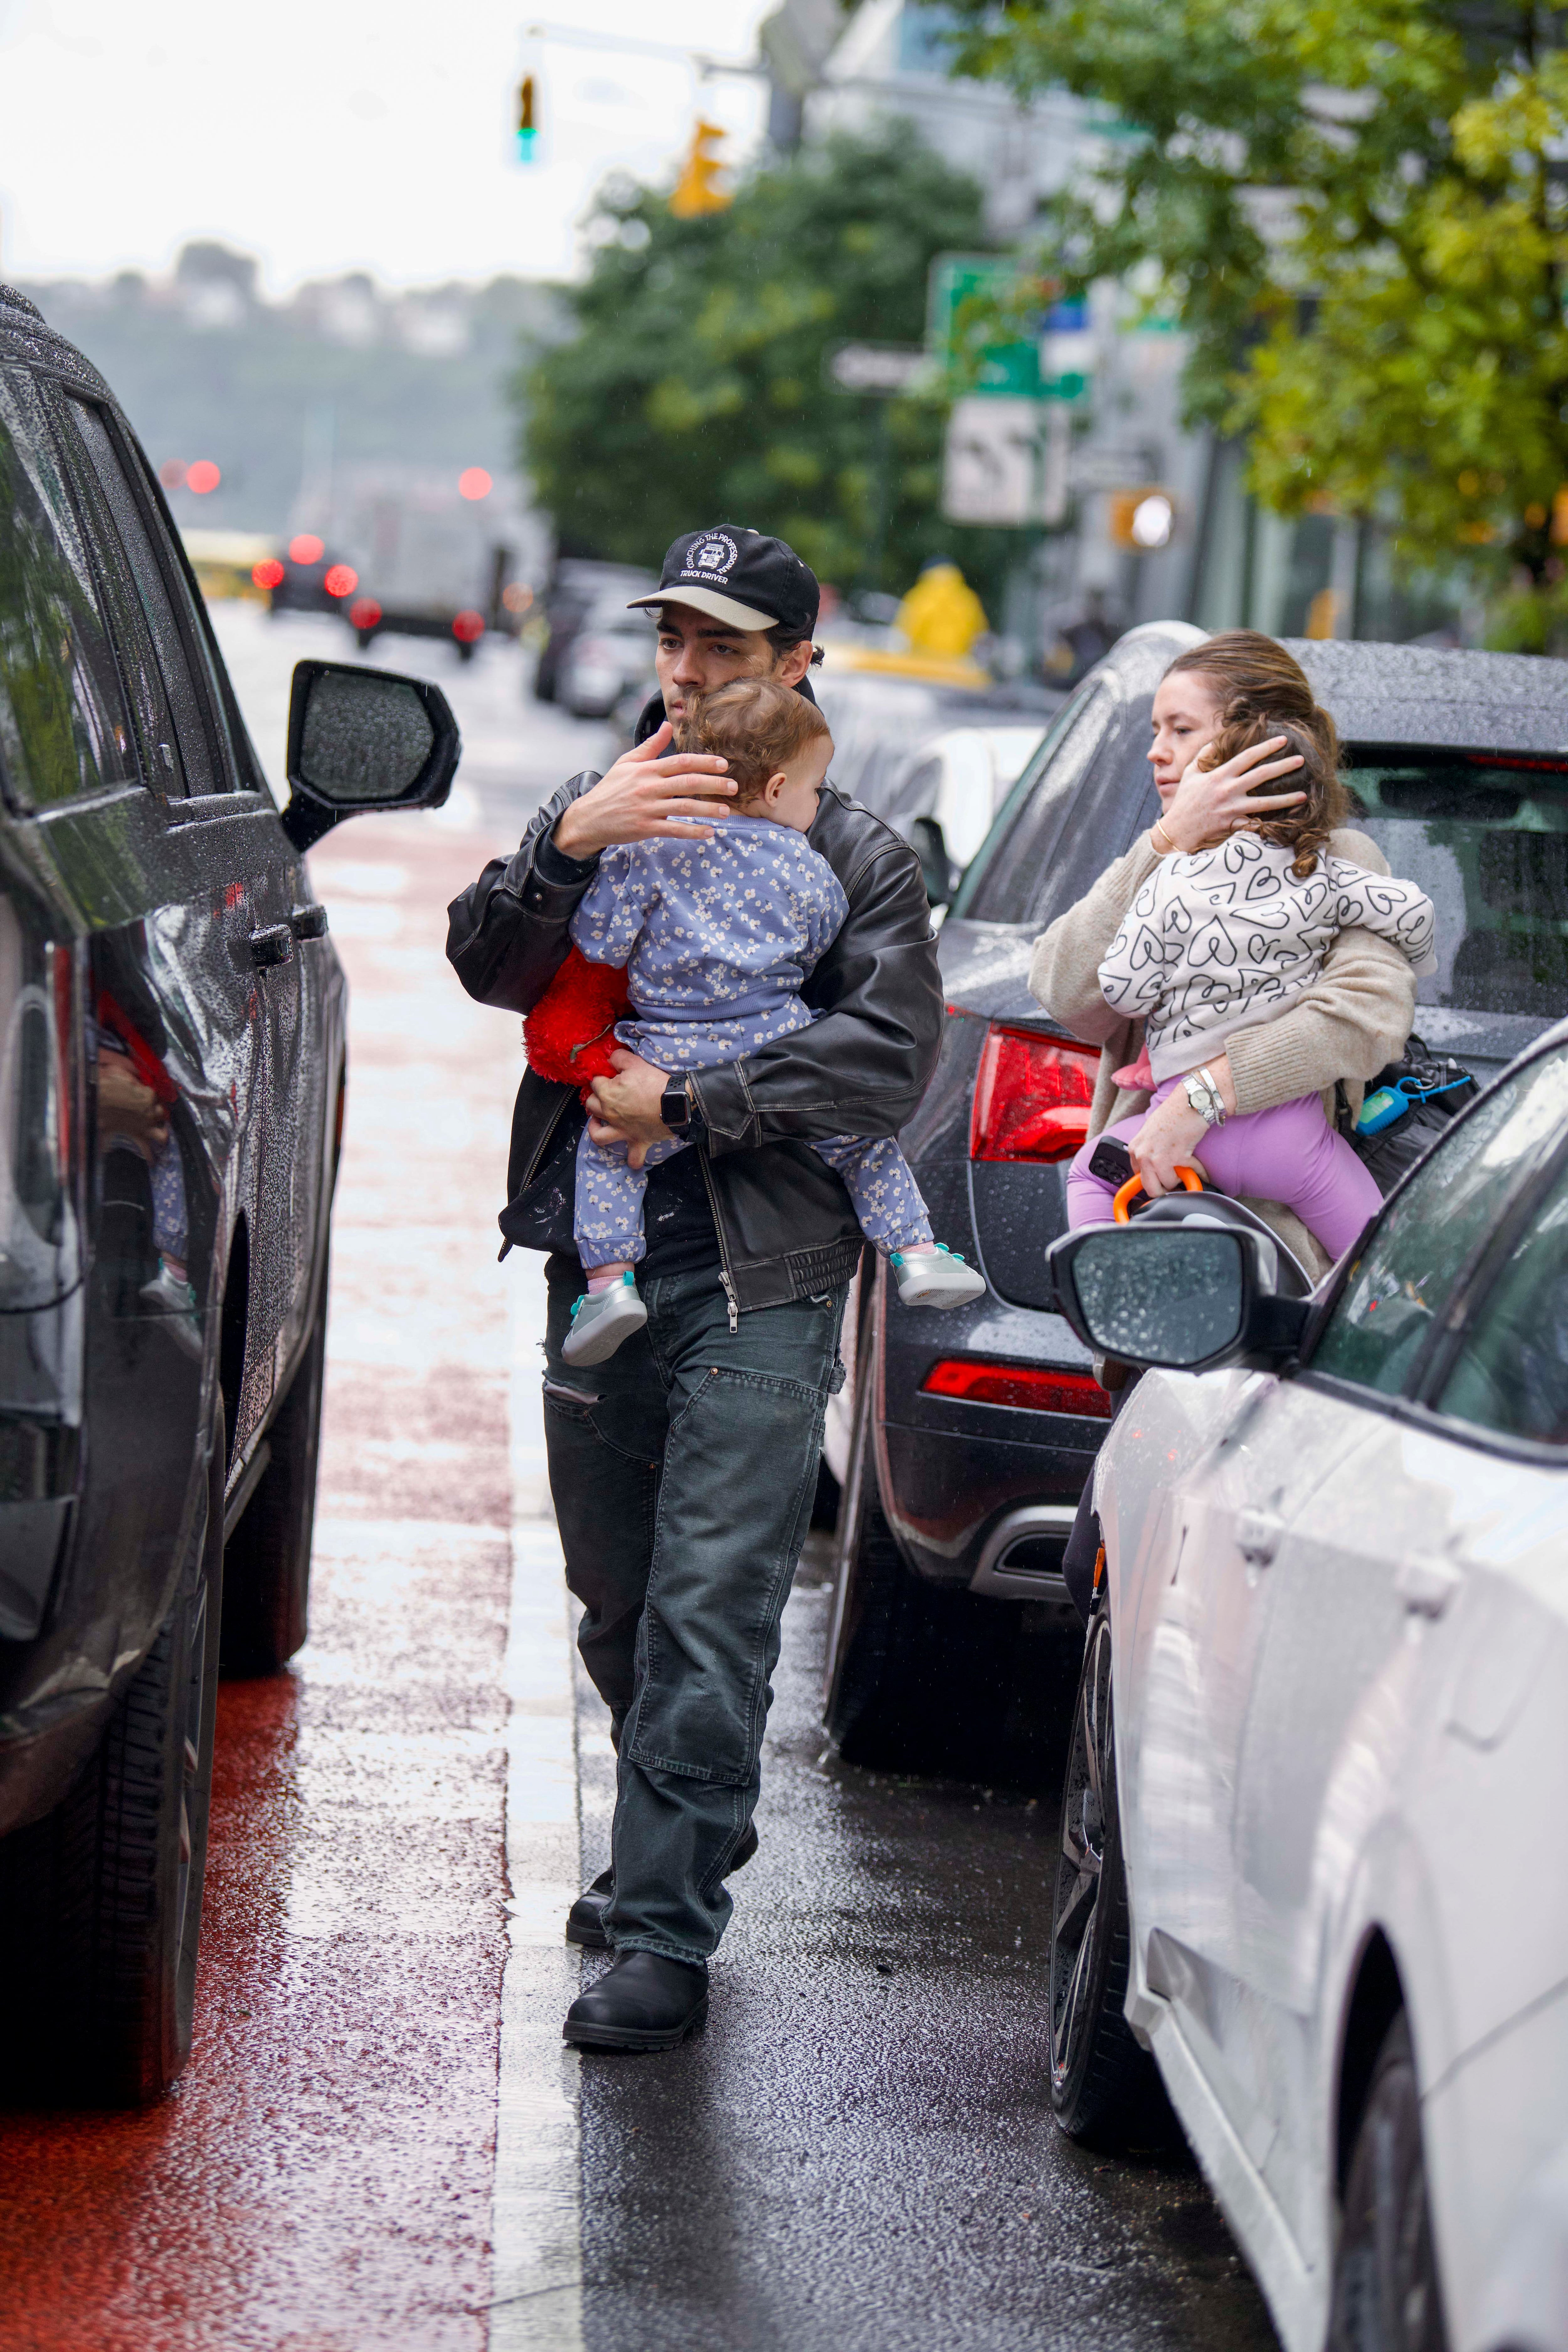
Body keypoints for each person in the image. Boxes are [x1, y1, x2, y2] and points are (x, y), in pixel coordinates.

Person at [446, 526, 943, 2052]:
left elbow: (887, 1053)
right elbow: (488, 962)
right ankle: (685, 1826)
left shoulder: (857, 850)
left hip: (769, 1268)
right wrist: (567, 844)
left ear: (799, 661)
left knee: (715, 1609)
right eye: (673, 640)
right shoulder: (603, 808)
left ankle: (663, 1922)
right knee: (620, 1600)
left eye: (721, 645)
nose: (684, 669)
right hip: (598, 1263)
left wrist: (690, 1098)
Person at [1031, 631, 1419, 1618]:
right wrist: (1161, 843)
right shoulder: (1163, 863)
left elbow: (1364, 1014)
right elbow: (1068, 991)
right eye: (1153, 730)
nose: (1156, 753)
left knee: (1234, 1586)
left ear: (1251, 743)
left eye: (1180, 730)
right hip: (1151, 1258)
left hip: (1278, 1284)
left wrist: (1200, 1097)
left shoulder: (1337, 863)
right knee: (1113, 1574)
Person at [564, 678, 983, 1363]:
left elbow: (600, 940)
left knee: (610, 1150)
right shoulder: (803, 861)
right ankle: (914, 1250)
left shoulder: (649, 849)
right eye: (815, 791)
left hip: (663, 1048)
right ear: (780, 787)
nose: (818, 805)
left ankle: (610, 1283)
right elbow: (819, 939)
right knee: (860, 1143)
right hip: (770, 1040)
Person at [1064, 707, 1438, 1258]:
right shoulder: (1327, 873)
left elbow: (1123, 990)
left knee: (1090, 1174)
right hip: (1293, 1143)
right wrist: (1414, 959)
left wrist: (1168, 997)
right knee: (1376, 1259)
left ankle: (1095, 1279)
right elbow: (1416, 915)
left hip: (1183, 1139)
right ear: (1314, 805)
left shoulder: (1174, 877)